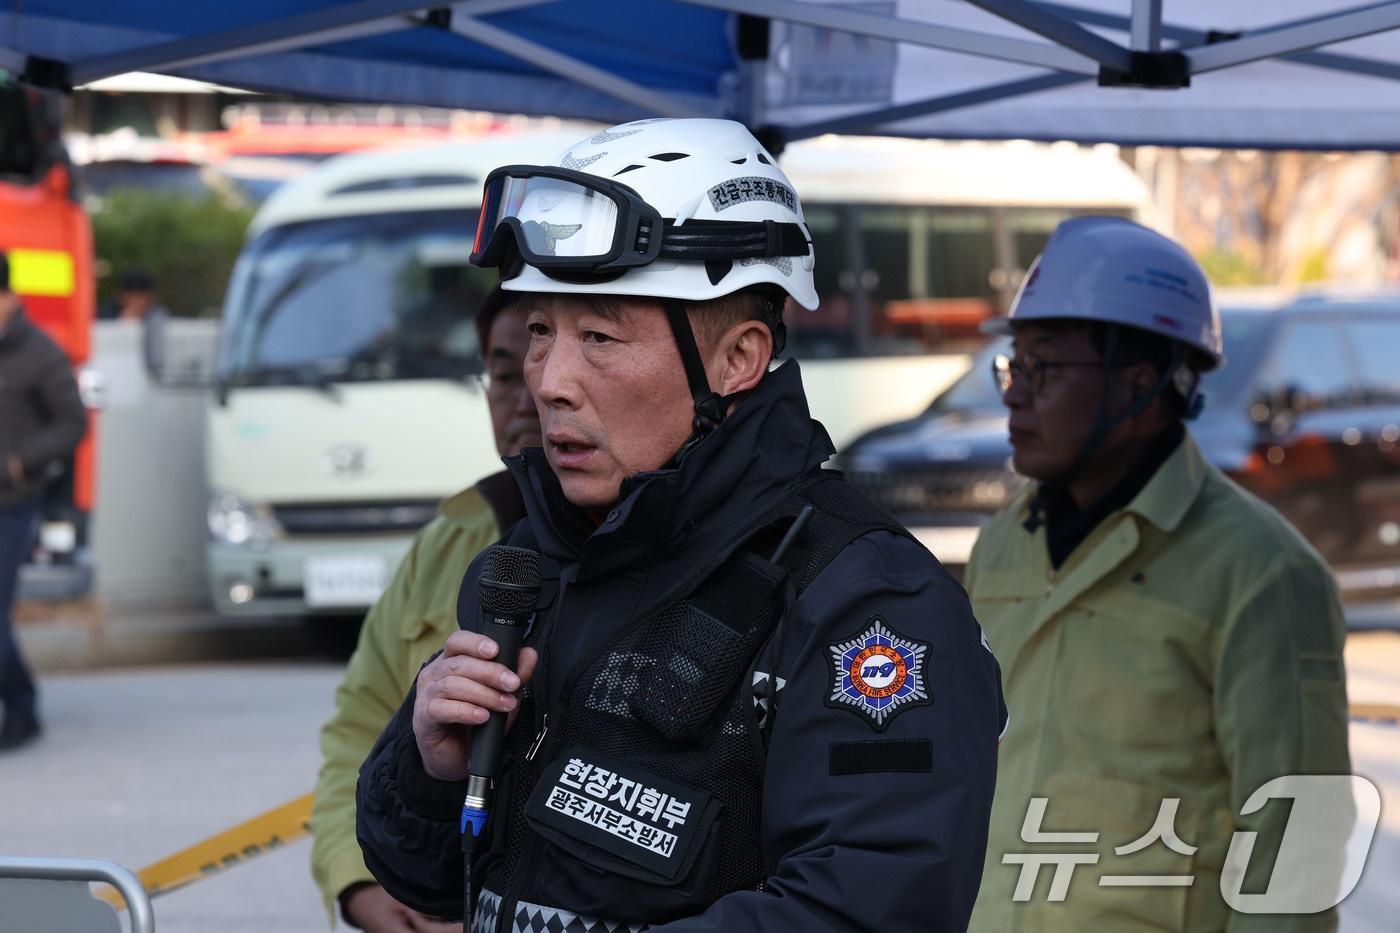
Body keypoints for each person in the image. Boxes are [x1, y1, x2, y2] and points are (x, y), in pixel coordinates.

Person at [356, 118, 1007, 932]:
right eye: (540, 333)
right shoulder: (534, 560)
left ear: (736, 359)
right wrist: (433, 769)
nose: (550, 382)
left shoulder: (866, 604)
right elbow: (426, 880)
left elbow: (866, 910)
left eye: (599, 337)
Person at [964, 217, 1352, 931]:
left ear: (1138, 383)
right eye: (1012, 366)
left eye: (1043, 368)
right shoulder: (1002, 547)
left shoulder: (1263, 572)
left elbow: (1296, 852)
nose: (1014, 394)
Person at [311, 286, 540, 931]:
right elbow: (356, 730)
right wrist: (359, 881)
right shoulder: (446, 545)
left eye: (542, 360)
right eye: (502, 372)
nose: (528, 398)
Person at [0, 252, 87, 751]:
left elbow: (73, 422)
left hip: (12, 502)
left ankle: (21, 708)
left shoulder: (39, 354)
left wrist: (19, 462)